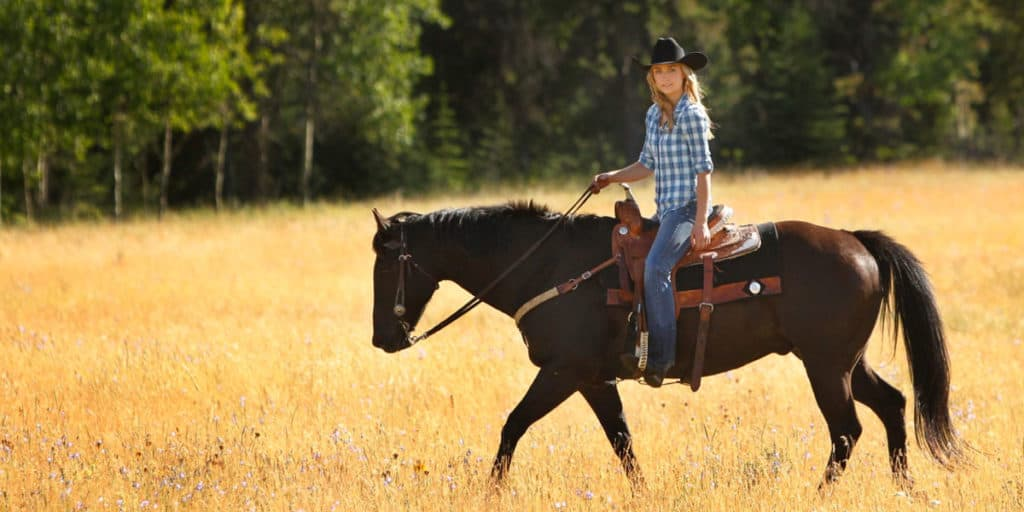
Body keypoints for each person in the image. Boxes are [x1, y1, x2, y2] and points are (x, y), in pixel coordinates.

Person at [591, 37, 714, 388]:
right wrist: (610, 177)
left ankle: (662, 356)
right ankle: (634, 339)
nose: (665, 77)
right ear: (652, 77)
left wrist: (701, 220)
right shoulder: (653, 114)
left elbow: (705, 172)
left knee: (658, 267)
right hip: (664, 211)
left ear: (684, 73)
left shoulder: (692, 115)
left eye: (671, 70)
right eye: (659, 71)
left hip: (687, 209)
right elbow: (646, 165)